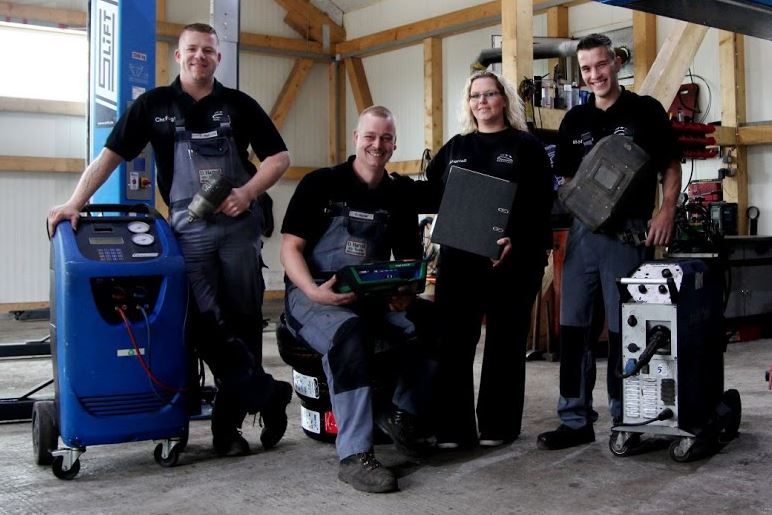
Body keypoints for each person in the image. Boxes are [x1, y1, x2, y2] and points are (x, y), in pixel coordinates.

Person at [47, 23, 293, 457]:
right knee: (201, 322)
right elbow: (110, 156)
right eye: (192, 49)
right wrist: (74, 202)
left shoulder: (238, 105)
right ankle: (268, 394)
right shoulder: (154, 106)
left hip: (238, 228)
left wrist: (247, 193)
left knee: (243, 321)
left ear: (218, 58)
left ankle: (227, 430)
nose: (200, 57)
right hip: (189, 230)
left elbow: (280, 157)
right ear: (178, 56)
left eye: (208, 51)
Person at [537, 33, 682, 450]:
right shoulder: (574, 120)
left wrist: (666, 211)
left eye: (601, 64)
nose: (595, 74)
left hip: (628, 234)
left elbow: (670, 165)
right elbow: (567, 181)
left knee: (627, 332)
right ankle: (575, 419)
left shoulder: (645, 111)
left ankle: (628, 418)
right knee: (573, 329)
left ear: (616, 62)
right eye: (586, 68)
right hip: (582, 235)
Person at [280, 105, 432, 493]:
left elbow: (408, 263)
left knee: (435, 321)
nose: (377, 145)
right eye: (370, 136)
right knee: (350, 335)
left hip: (370, 293)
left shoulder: (399, 195)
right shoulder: (320, 183)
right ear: (356, 139)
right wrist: (312, 291)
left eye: (385, 138)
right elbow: (290, 248)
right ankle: (355, 456)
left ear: (394, 144)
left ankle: (401, 415)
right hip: (314, 293)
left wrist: (403, 294)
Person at [422, 70, 554, 448]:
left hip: (512, 260)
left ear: (504, 100)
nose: (482, 101)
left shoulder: (526, 146)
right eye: (475, 96)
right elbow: (431, 192)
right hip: (460, 259)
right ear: (468, 104)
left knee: (505, 342)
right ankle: (454, 429)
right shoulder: (456, 147)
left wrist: (519, 239)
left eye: (490, 94)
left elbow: (543, 203)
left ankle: (499, 426)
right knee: (454, 341)